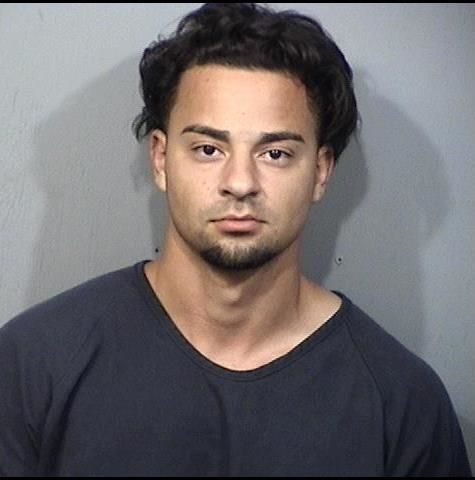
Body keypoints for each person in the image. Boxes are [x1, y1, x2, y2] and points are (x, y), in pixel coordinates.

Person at [0, 3, 471, 477]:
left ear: (321, 171)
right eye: (208, 149)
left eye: (275, 153)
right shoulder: (33, 364)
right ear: (161, 159)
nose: (240, 182)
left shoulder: (403, 404)